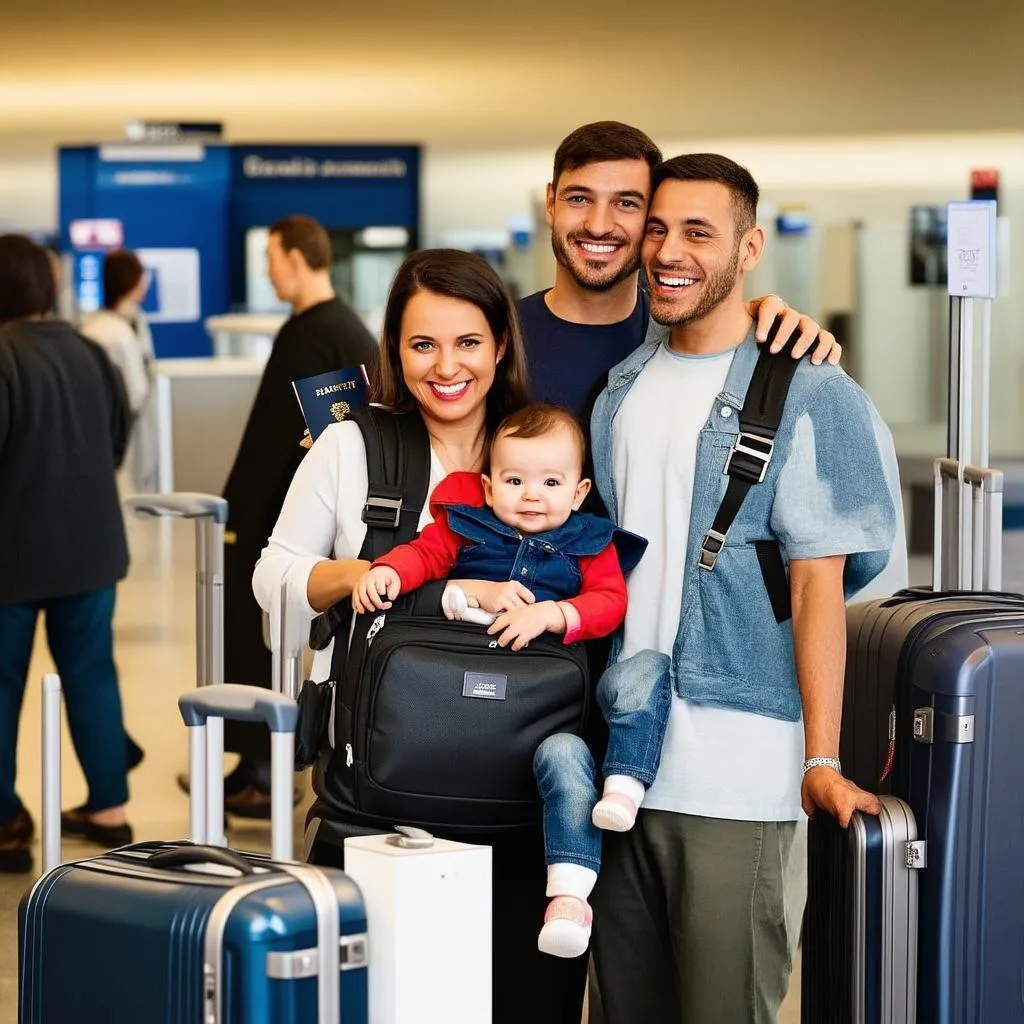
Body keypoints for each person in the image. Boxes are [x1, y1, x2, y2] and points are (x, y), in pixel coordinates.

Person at [254, 248, 622, 1023]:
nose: (446, 366)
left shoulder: (547, 450)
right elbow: (274, 573)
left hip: (529, 810)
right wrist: (359, 576)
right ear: (395, 351)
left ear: (499, 347)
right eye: (422, 345)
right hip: (381, 804)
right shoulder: (353, 448)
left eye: (467, 343)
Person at [586, 154, 907, 1024]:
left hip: (740, 776)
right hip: (623, 768)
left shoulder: (811, 393)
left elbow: (818, 592)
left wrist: (821, 761)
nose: (668, 249)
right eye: (657, 227)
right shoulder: (621, 389)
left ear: (750, 246)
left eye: (698, 230)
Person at [351, 403, 667, 960]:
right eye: (514, 480)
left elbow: (609, 604)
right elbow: (423, 555)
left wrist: (552, 614)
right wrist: (387, 572)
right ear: (488, 486)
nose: (531, 494)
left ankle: (599, 836)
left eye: (550, 482)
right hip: (459, 698)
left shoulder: (589, 543)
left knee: (594, 735)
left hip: (541, 715)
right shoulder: (466, 526)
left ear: (578, 491)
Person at [211, 215, 378, 816]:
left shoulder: (314, 333)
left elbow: (277, 440)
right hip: (307, 517)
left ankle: (261, 763)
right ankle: (258, 761)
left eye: (272, 257)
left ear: (296, 257)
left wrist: (238, 518)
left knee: (261, 635)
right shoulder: (343, 328)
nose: (266, 269)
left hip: (281, 522)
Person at [517, 121, 841, 420]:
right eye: (578, 198)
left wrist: (761, 318)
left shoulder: (678, 338)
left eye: (627, 203)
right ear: (550, 204)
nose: (599, 226)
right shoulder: (498, 336)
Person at [0, 235, 135, 872]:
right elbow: (115, 442)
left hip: (13, 557)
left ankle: (3, 822)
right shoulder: (89, 349)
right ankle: (109, 806)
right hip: (90, 550)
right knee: (91, 674)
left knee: (2, 686)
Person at [80, 248, 158, 494]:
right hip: (118, 431)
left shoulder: (128, 322)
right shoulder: (110, 332)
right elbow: (135, 391)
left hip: (125, 430)